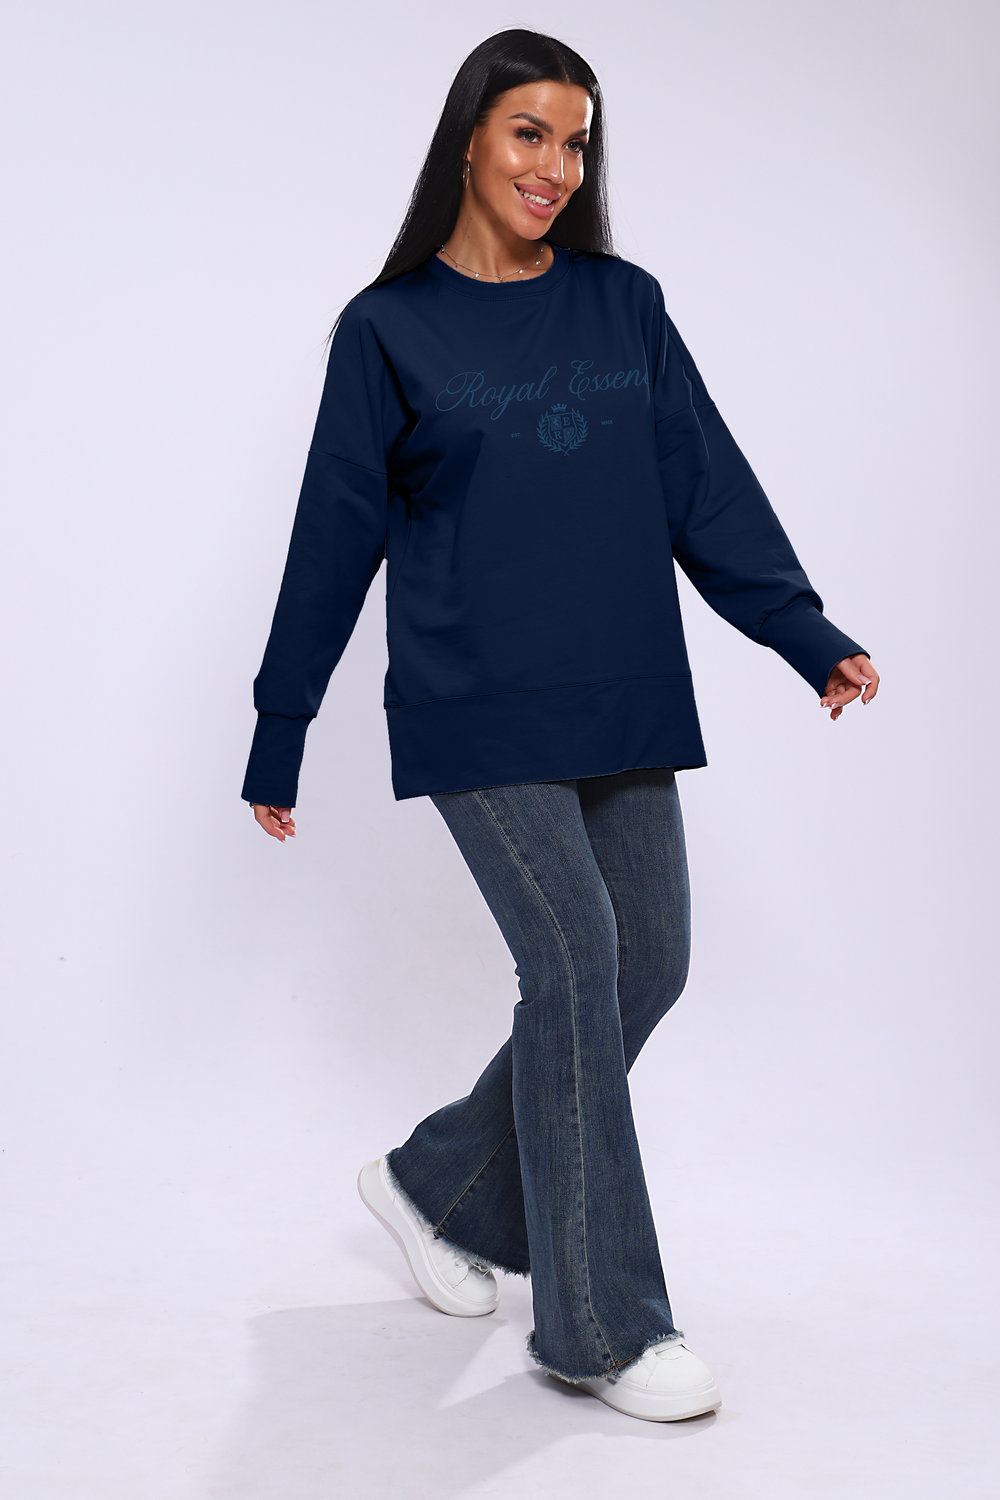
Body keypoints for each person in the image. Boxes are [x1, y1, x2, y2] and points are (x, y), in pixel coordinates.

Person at [241, 29, 879, 1423]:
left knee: (649, 962)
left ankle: (437, 1184)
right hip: (475, 703)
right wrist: (282, 725)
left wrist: (803, 631)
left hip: (621, 691)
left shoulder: (621, 305)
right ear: (470, 139)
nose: (556, 166)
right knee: (577, 963)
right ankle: (599, 1328)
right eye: (530, 133)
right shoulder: (388, 329)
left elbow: (703, 485)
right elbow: (331, 540)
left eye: (577, 142)